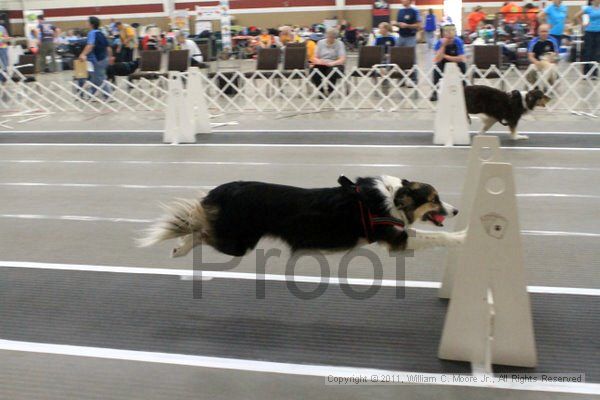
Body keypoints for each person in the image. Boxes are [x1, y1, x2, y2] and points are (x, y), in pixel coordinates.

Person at [430, 25, 466, 101]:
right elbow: (437, 58)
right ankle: (435, 92)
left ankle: (464, 90)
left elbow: (461, 58)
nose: (449, 33)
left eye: (451, 31)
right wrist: (443, 45)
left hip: (456, 63)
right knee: (436, 69)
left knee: (463, 65)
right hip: (443, 63)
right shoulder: (439, 42)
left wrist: (445, 56)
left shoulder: (458, 41)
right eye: (447, 31)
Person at [79, 16, 112, 99]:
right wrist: (110, 57)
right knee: (95, 77)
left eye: (87, 21)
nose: (86, 23)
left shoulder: (92, 33)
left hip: (98, 59)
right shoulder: (101, 33)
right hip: (104, 58)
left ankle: (108, 96)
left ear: (91, 24)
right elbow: (108, 47)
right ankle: (93, 95)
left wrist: (83, 54)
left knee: (99, 78)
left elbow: (90, 45)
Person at [310, 27, 346, 97]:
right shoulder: (320, 43)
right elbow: (314, 57)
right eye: (328, 36)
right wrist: (319, 61)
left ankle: (330, 91)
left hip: (335, 64)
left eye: (332, 36)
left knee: (333, 71)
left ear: (335, 37)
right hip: (322, 64)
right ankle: (321, 91)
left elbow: (342, 59)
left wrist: (332, 63)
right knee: (313, 71)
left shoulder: (340, 44)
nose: (330, 38)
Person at [575, 0, 600, 78]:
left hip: (598, 32)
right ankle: (585, 72)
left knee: (596, 52)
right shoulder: (588, 8)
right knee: (587, 52)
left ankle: (594, 73)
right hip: (589, 32)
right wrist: (582, 24)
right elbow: (576, 16)